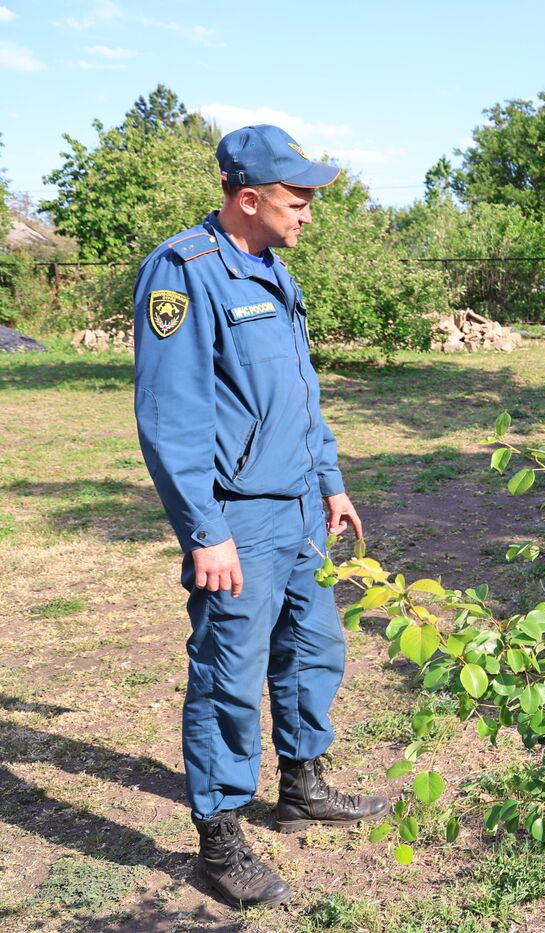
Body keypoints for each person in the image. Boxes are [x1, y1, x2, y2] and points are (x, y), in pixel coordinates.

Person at [132, 124, 387, 909]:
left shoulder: (274, 272)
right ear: (249, 199)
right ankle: (219, 837)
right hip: (238, 520)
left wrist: (333, 481)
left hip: (301, 510)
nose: (308, 213)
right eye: (296, 199)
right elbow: (170, 420)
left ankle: (304, 784)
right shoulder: (186, 273)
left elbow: (300, 397)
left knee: (315, 650)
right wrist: (205, 531)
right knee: (228, 681)